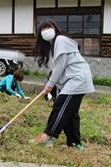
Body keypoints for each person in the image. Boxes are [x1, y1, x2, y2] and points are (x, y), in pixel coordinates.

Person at [34, 19, 95, 150]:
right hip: (70, 81)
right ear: (40, 35)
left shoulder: (60, 40)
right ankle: (75, 143)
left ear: (54, 28)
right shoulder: (51, 49)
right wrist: (52, 84)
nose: (46, 31)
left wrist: (49, 85)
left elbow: (59, 66)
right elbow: (53, 70)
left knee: (61, 106)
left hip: (77, 79)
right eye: (42, 29)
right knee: (71, 112)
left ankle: (48, 135)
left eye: (48, 27)